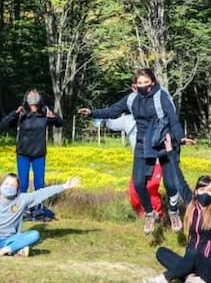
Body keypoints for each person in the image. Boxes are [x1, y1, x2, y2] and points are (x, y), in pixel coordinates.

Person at [78, 68, 186, 234]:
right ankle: (150, 214)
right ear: (135, 85)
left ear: (153, 82)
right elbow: (113, 111)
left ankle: (173, 211)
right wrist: (93, 113)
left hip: (164, 142)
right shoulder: (132, 99)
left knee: (171, 184)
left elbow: (173, 119)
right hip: (143, 144)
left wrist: (180, 138)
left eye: (146, 82)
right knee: (137, 183)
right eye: (139, 83)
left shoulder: (161, 97)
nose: (143, 86)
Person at [0, 88, 64, 219]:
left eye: (36, 94)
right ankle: (20, 208)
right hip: (23, 154)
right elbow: (3, 124)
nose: (33, 96)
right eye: (31, 94)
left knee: (39, 183)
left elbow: (60, 123)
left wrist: (54, 117)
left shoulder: (44, 113)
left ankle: (38, 208)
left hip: (39, 154)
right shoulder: (22, 114)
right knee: (22, 183)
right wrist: (15, 114)